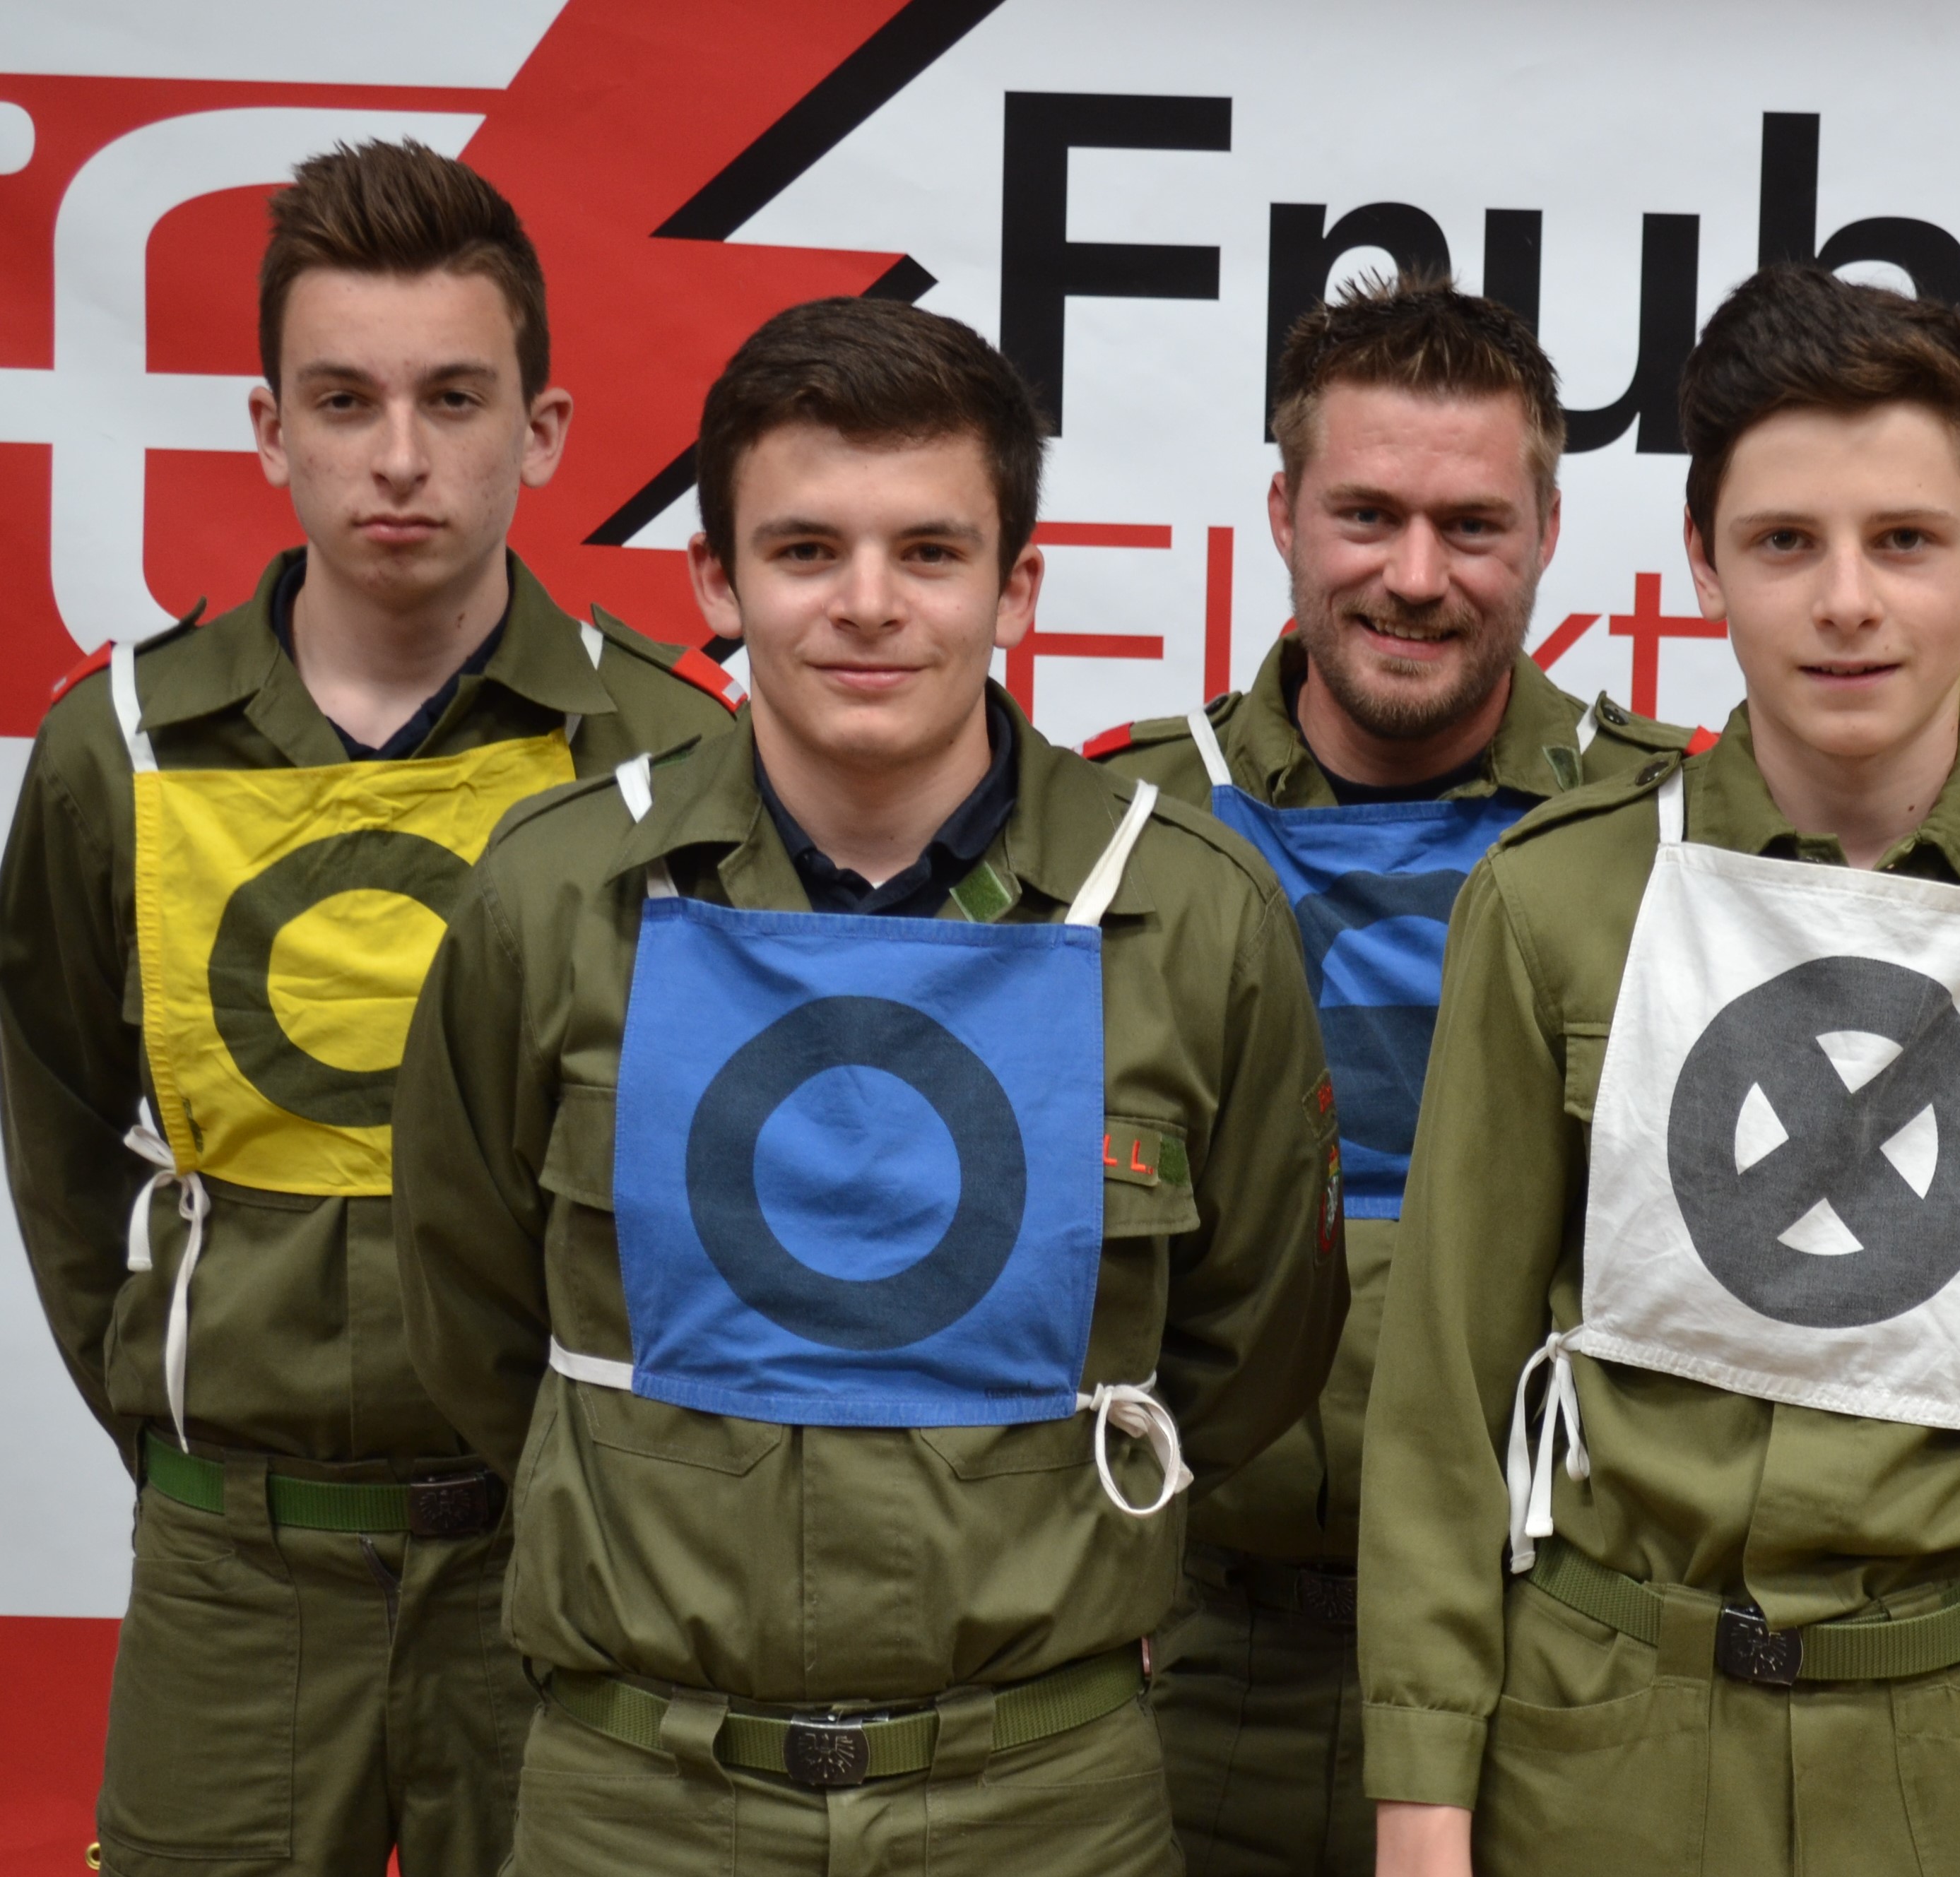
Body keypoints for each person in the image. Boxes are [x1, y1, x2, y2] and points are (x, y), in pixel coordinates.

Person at [392, 295, 1347, 1876]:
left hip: (1044, 1801)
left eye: (929, 551)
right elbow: (472, 1308)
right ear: (715, 579)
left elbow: (1249, 1351)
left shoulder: (1192, 918)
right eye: (804, 549)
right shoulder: (552, 900)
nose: (867, 605)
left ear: (1015, 586)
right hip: (641, 1800)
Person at [1359, 265, 1960, 1877]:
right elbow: (1441, 1399)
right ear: (1703, 560)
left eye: (1904, 540)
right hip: (1599, 1754)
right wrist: (1421, 1810)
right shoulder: (1559, 900)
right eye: (1785, 542)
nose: (1846, 601)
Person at [0, 138, 738, 1877]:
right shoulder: (119, 750)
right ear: (269, 430)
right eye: (344, 400)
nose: (399, 456)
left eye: (452, 399)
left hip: (560, 1567)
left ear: (540, 431)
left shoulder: (674, 751)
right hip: (233, 1573)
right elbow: (61, 1147)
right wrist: (196, 1413)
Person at [1089, 274, 1691, 1877]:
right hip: (1181, 1651)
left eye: (1471, 526)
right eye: (1365, 515)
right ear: (1282, 514)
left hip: (1554, 1666)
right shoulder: (1114, 835)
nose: (1414, 577)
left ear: (1546, 533)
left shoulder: (1679, 840)